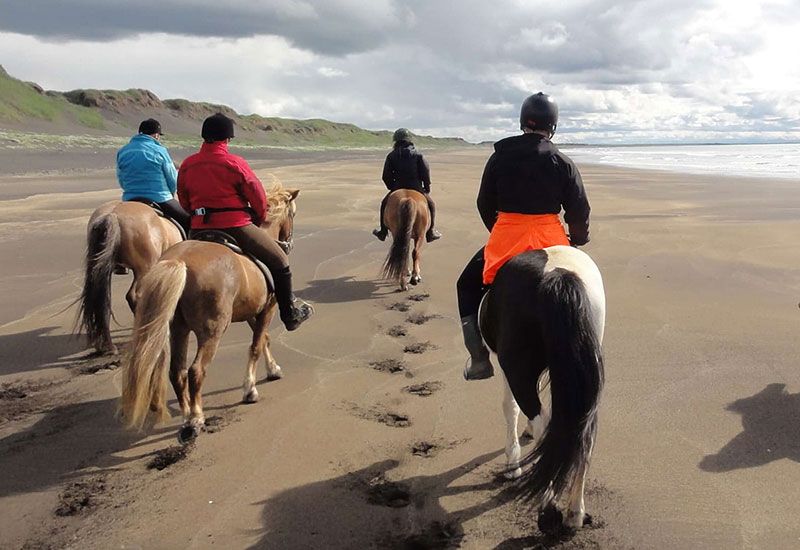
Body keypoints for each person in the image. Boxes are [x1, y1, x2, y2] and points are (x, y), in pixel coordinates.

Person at [456, 93, 591, 380]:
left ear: (522, 122)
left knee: (466, 285)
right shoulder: (562, 161)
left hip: (508, 236)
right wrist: (578, 239)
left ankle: (479, 359)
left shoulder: (499, 158)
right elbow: (579, 208)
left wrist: (500, 231)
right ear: (552, 126)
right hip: (551, 238)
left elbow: (484, 203)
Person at [177, 113, 313, 331]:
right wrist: (257, 217)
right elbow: (257, 197)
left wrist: (198, 217)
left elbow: (183, 199)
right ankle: (290, 315)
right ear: (227, 138)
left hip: (199, 228)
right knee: (280, 261)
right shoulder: (235, 163)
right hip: (235, 225)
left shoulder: (188, 164)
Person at [116, 118, 191, 231]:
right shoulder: (160, 150)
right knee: (189, 221)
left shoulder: (123, 151)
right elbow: (172, 178)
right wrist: (171, 194)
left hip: (130, 198)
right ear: (156, 135)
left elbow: (121, 178)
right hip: (160, 198)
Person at [373, 128, 442, 243]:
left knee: (384, 203)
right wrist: (427, 188)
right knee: (431, 204)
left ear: (396, 141)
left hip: (398, 187)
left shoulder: (391, 156)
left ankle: (382, 231)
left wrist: (392, 188)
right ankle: (430, 232)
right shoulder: (418, 155)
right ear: (410, 140)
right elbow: (425, 172)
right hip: (416, 187)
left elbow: (386, 176)